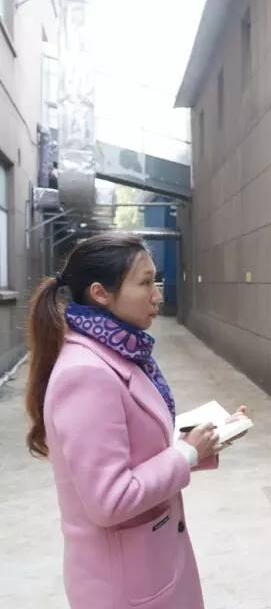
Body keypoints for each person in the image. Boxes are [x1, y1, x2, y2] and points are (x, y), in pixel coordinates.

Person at [25, 233, 246, 609]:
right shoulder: (86, 373)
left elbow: (135, 446)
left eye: (155, 281)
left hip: (152, 565)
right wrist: (186, 454)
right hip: (125, 588)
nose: (157, 295)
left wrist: (206, 437)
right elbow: (110, 500)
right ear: (100, 293)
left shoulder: (121, 352)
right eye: (145, 283)